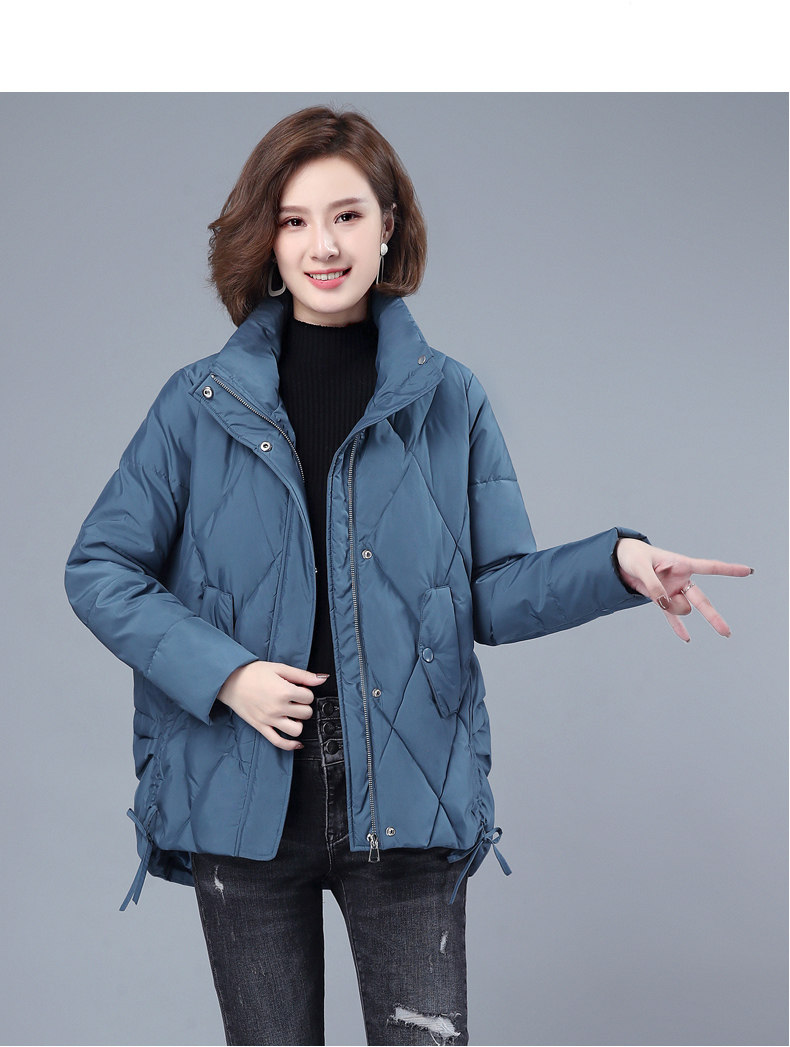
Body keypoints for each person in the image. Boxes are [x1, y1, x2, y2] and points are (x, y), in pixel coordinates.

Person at [63, 105, 752, 1047]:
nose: (323, 245)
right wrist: (226, 674)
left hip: (409, 790)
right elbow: (99, 565)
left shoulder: (448, 398)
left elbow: (492, 591)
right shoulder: (196, 404)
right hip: (241, 787)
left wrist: (617, 564)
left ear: (388, 224)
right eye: (295, 220)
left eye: (347, 215)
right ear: (269, 238)